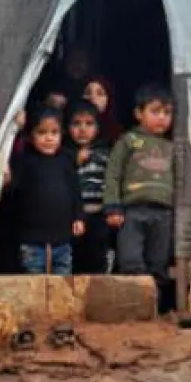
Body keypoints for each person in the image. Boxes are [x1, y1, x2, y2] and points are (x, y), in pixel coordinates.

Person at [104, 84, 176, 312]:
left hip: (163, 213)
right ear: (138, 113)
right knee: (130, 259)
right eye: (155, 112)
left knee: (159, 261)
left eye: (167, 113)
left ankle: (156, 310)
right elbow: (113, 173)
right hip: (132, 211)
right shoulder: (129, 141)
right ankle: (132, 309)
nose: (162, 118)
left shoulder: (172, 146)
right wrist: (113, 206)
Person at [4, 106, 84, 274]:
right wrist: (15, 129)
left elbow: (74, 190)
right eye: (42, 132)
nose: (49, 138)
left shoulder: (65, 160)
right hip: (32, 242)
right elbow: (12, 188)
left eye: (54, 133)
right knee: (35, 287)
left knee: (62, 288)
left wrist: (78, 217)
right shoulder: (24, 161)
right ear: (31, 136)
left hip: (62, 241)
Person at [67, 102, 113, 273]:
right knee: (73, 261)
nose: (82, 129)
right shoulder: (63, 154)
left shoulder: (105, 153)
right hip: (72, 217)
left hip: (99, 216)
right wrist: (74, 160)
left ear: (98, 127)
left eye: (89, 123)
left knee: (96, 259)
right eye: (76, 123)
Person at [82, 75, 124, 143]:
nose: (93, 97)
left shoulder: (116, 132)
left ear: (108, 100)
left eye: (100, 94)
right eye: (87, 93)